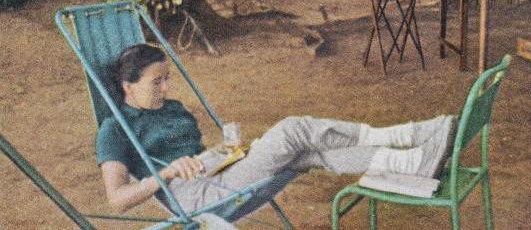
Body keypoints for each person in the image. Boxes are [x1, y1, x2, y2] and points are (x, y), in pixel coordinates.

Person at [98, 44, 455, 214]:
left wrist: (227, 152)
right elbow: (118, 200)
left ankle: (411, 163)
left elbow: (198, 155)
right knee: (293, 129)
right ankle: (402, 136)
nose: (166, 89)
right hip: (191, 196)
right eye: (156, 83)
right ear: (127, 86)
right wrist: (166, 172)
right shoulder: (115, 129)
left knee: (308, 152)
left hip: (215, 170)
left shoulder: (172, 108)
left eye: (167, 79)